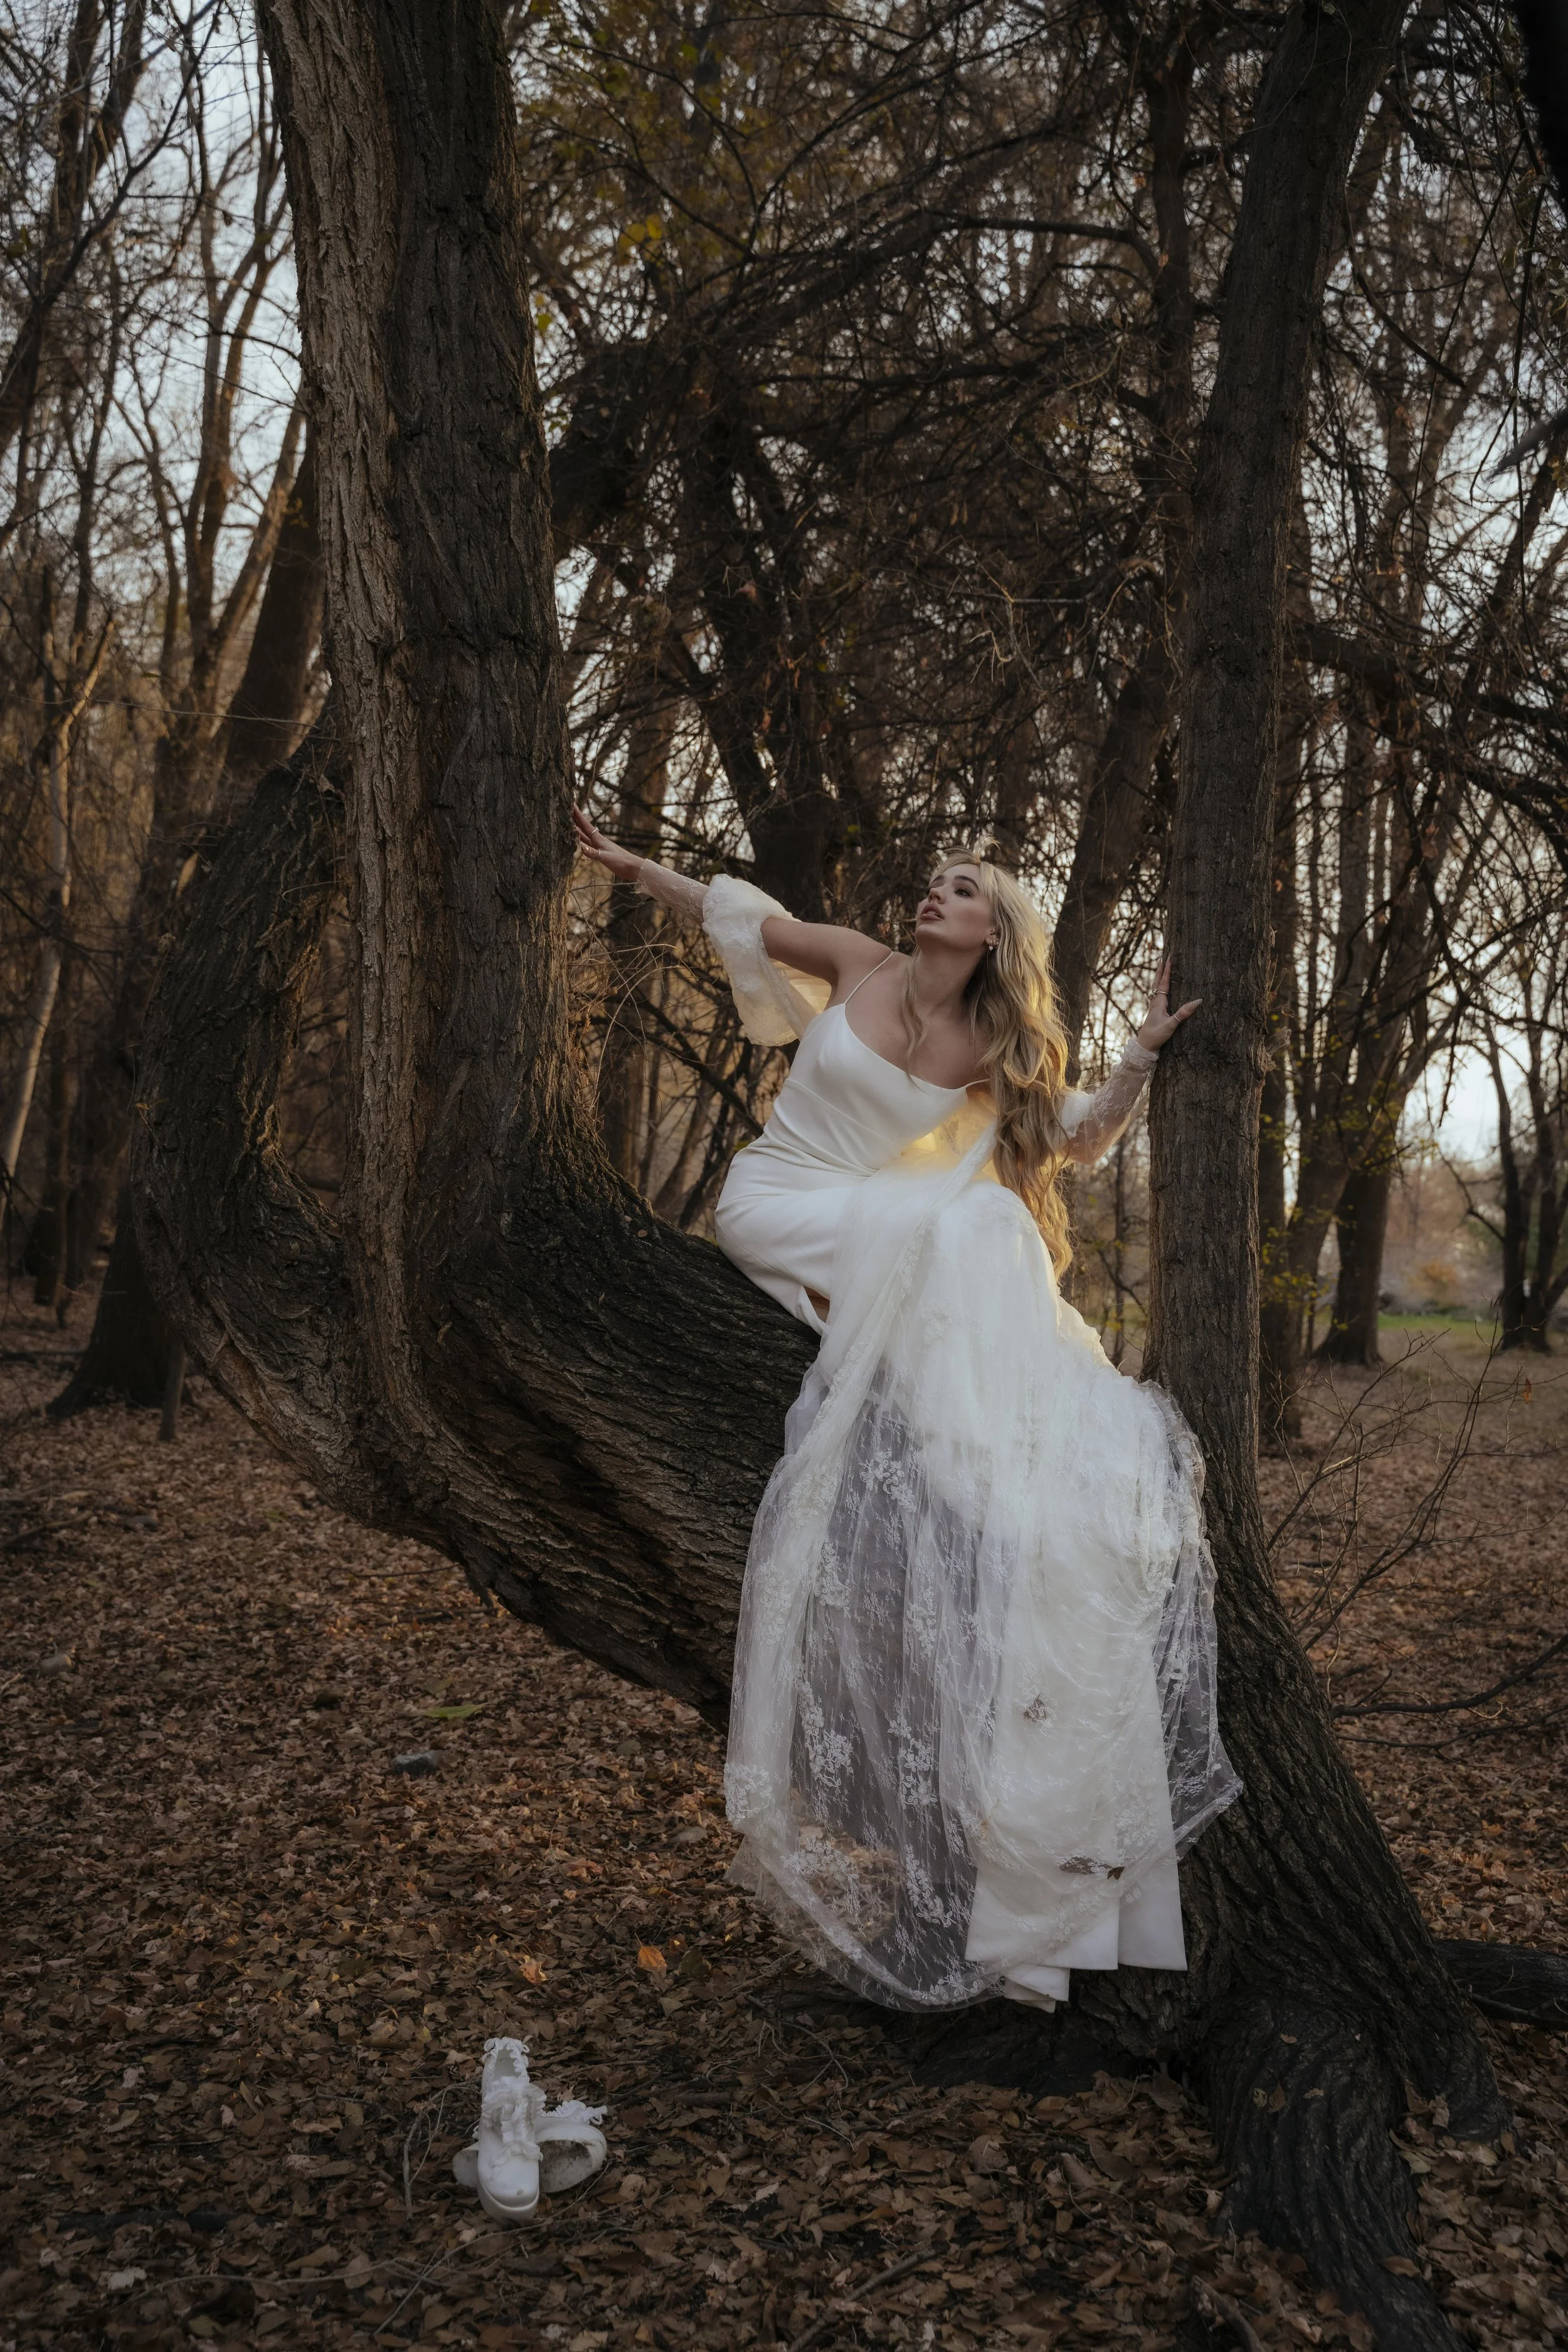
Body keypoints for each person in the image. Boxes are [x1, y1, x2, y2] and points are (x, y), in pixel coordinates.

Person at [573, 812, 1239, 2013]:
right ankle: (983, 1426)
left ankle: (998, 1452)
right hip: (780, 1199)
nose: (934, 896)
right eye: (935, 881)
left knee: (983, 1217)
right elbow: (736, 914)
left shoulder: (995, 1038)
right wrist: (638, 871)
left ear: (997, 932)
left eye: (962, 889)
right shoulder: (857, 961)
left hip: (882, 1228)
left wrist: (1138, 1054)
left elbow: (1074, 1138)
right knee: (970, 1223)